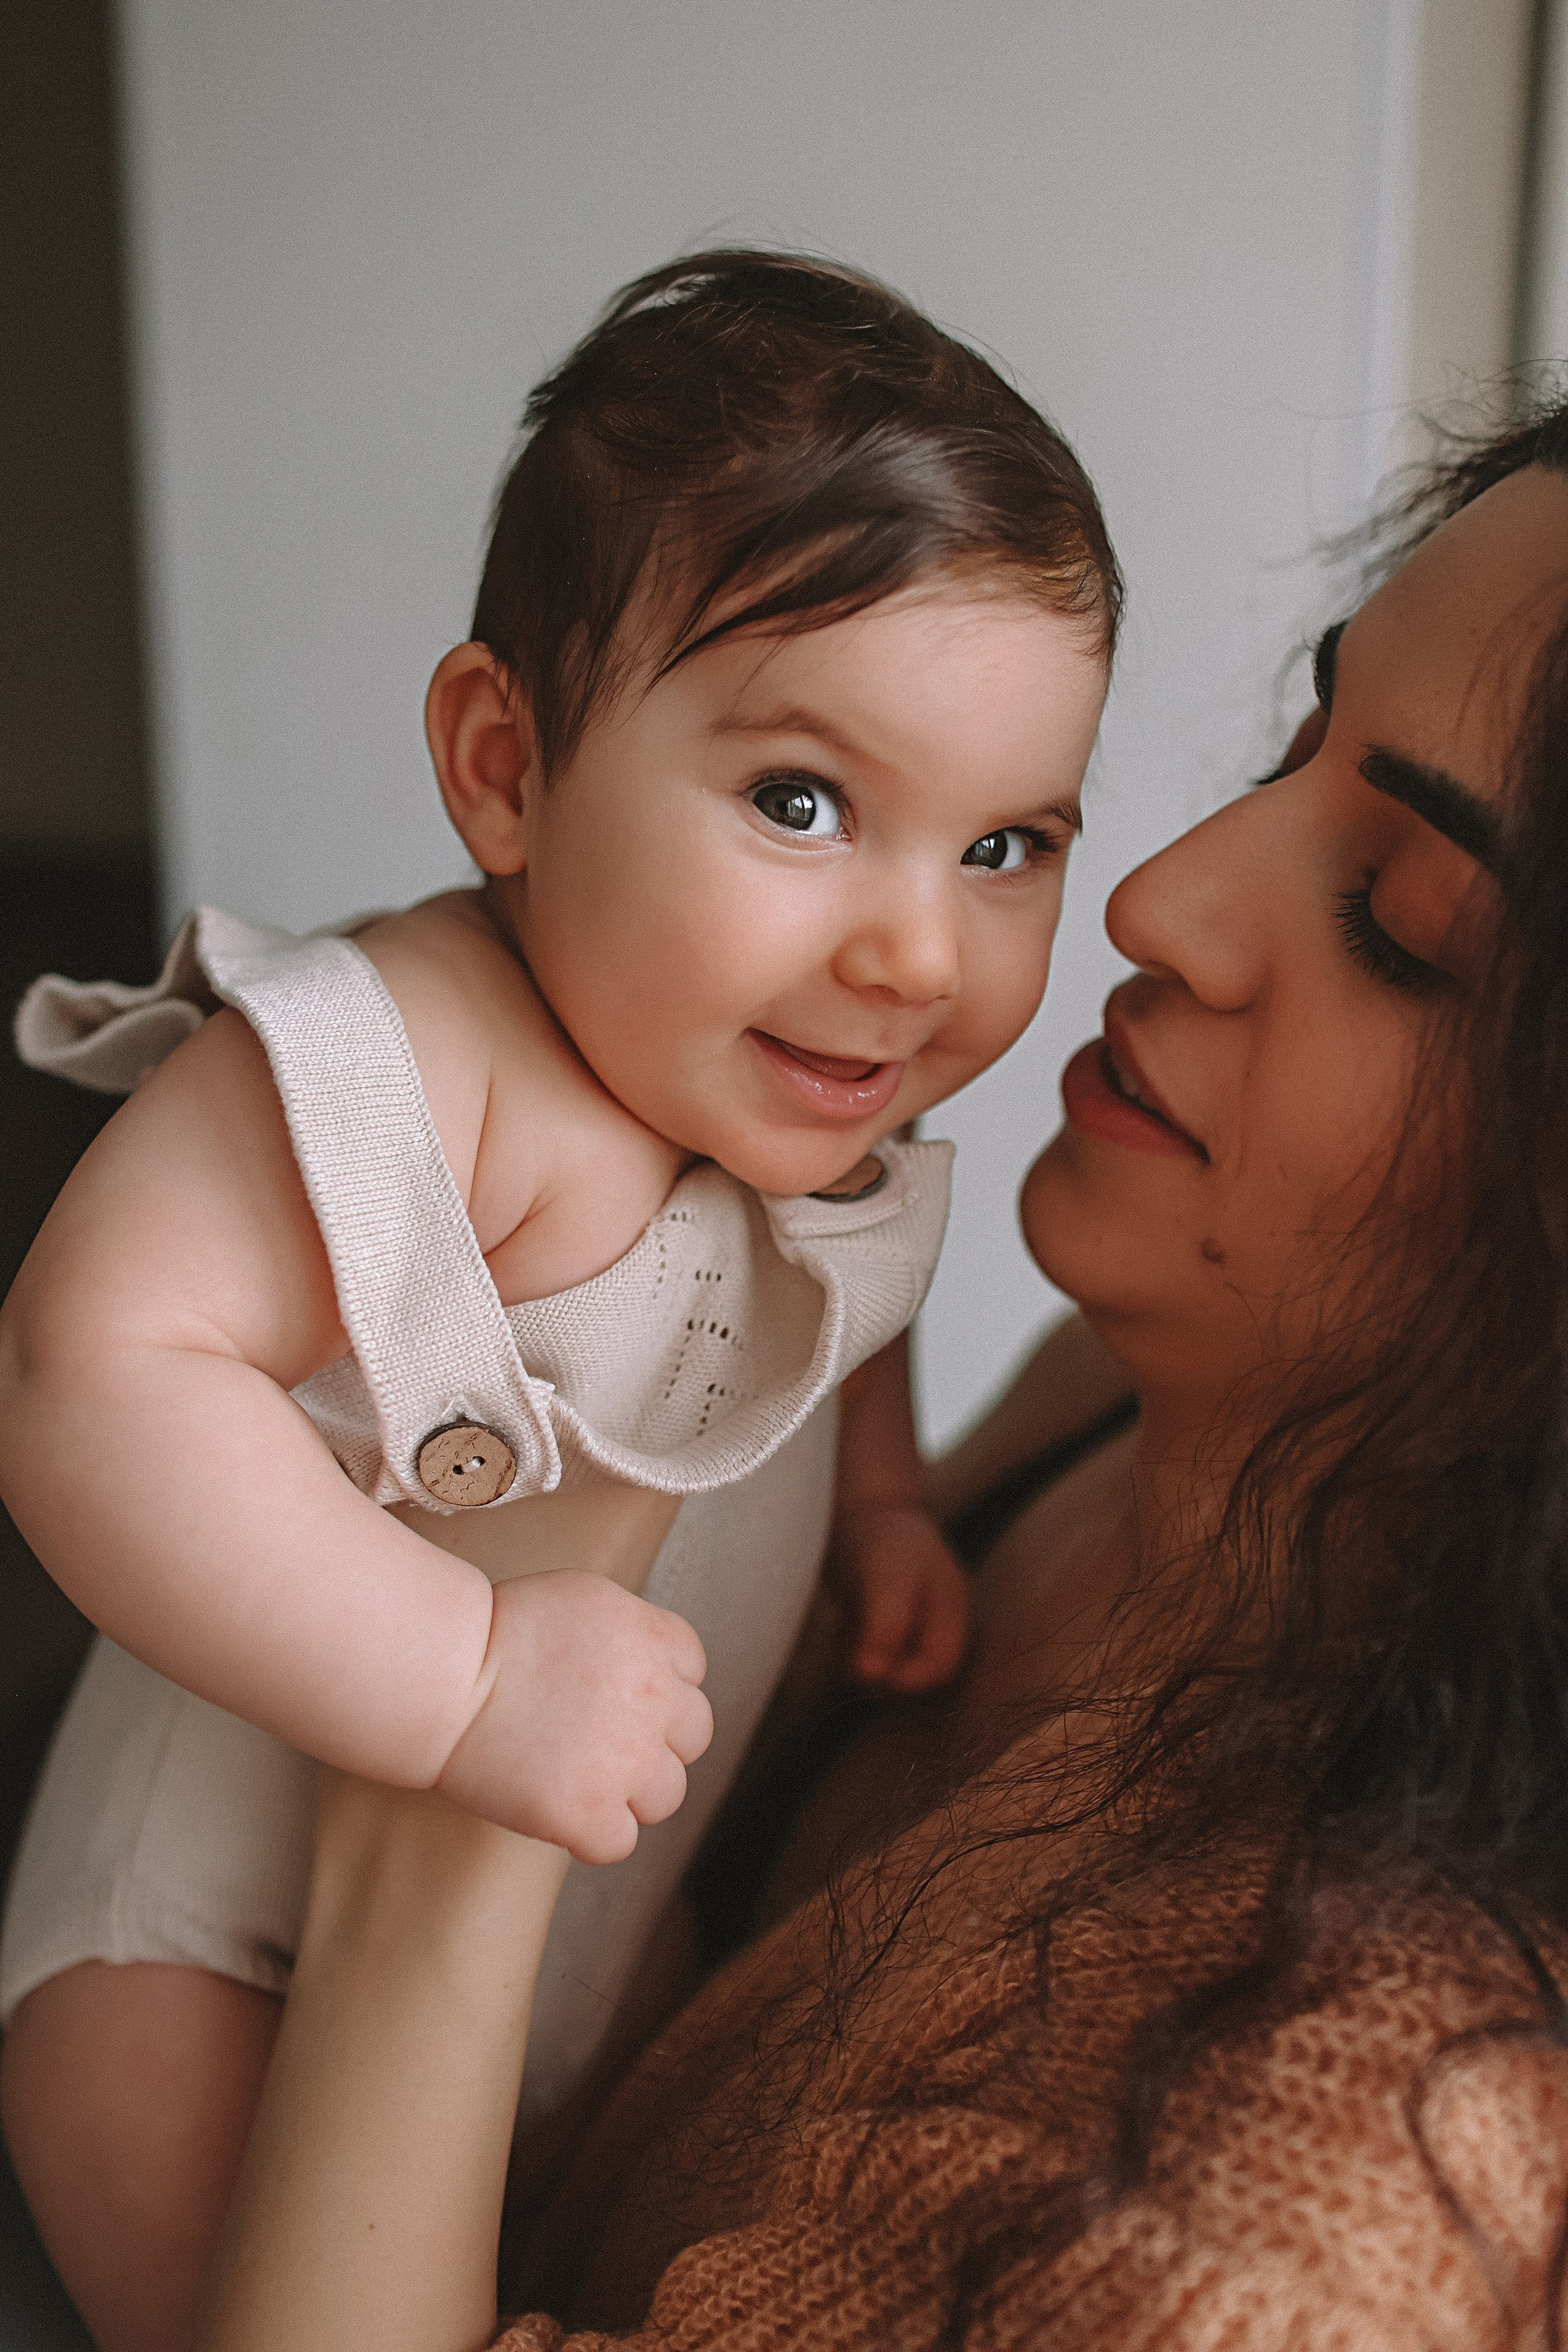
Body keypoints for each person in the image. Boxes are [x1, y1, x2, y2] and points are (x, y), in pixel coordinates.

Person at [194, 397, 1568, 2350]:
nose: (1153, 897)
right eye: (1294, 741)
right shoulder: (1160, 1383)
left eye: (1400, 922)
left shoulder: (1296, 2244)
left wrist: (443, 1817)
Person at [0, 250, 1120, 2351]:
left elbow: (827, 1315)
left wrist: (878, 1503)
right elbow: (90, 1373)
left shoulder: (806, 1096)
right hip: (196, 1957)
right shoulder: (409, 1057)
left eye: (1005, 847)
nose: (914, 953)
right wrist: (455, 1681)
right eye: (804, 804)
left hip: (593, 1913)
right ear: (506, 766)